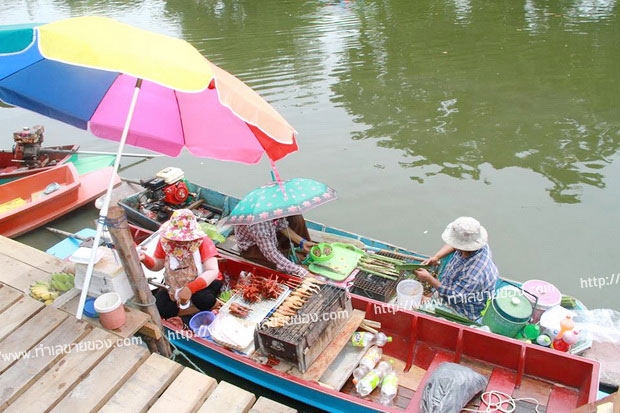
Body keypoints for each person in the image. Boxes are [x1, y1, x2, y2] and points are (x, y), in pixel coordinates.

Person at [140, 209, 222, 319]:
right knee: (160, 304)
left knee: (202, 298)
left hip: (203, 282)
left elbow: (212, 271)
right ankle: (193, 309)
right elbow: (157, 265)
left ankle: (209, 305)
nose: (179, 242)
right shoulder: (165, 242)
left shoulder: (203, 241)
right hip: (176, 283)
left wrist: (190, 288)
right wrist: (145, 258)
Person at [415, 216, 498, 320]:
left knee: (415, 304)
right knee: (424, 297)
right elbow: (453, 245)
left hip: (463, 308)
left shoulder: (474, 274)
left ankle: (434, 304)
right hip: (455, 287)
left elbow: (454, 296)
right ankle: (431, 298)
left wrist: (429, 279)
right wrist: (436, 257)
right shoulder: (476, 244)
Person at [234, 215, 317, 277]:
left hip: (268, 235)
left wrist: (303, 242)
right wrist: (301, 272)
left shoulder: (274, 209)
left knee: (296, 217)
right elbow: (272, 254)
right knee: (278, 263)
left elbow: (281, 225)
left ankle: (294, 253)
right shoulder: (258, 223)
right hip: (254, 247)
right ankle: (290, 261)